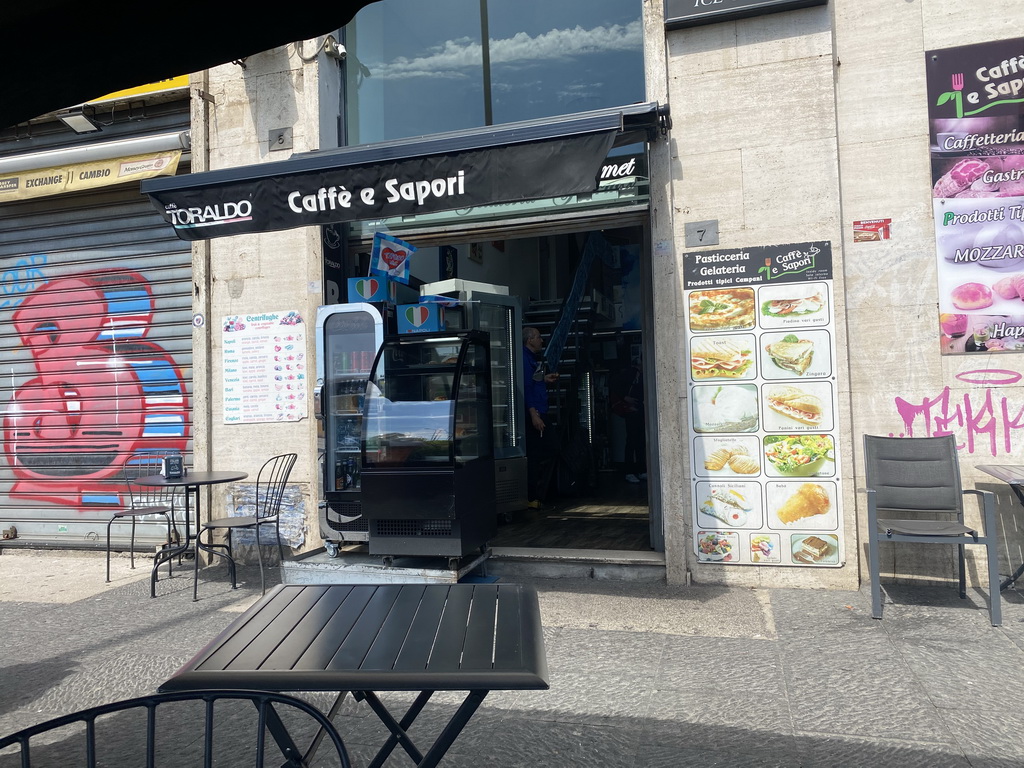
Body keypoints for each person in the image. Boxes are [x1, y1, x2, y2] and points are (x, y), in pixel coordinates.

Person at [522, 326, 559, 509]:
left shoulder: (531, 359)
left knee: (543, 452)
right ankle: (533, 496)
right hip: (535, 412)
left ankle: (536, 496)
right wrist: (534, 414)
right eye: (538, 337)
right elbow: (526, 388)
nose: (541, 340)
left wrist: (544, 379)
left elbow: (533, 381)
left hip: (539, 409)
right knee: (543, 451)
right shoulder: (523, 358)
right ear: (530, 340)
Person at [611, 356, 646, 483]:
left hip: (634, 410)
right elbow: (615, 385)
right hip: (633, 410)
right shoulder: (632, 373)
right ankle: (633, 470)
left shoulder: (636, 374)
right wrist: (625, 397)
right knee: (634, 441)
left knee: (635, 441)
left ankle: (636, 470)